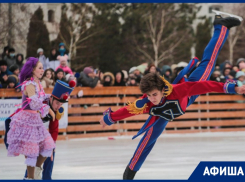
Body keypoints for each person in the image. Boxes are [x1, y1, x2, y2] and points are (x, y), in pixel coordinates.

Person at [99, 15, 242, 179]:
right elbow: (128, 110)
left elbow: (204, 86)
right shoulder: (147, 103)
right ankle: (129, 175)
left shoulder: (176, 90)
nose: (152, 99)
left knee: (208, 62)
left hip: (189, 94)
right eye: (149, 95)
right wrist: (110, 118)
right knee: (148, 141)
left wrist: (231, 87)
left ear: (162, 89)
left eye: (154, 95)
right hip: (163, 116)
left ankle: (220, 26)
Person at [6, 57, 55, 179]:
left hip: (36, 120)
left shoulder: (38, 83)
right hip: (27, 120)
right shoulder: (29, 84)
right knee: (31, 152)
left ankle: (36, 171)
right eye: (39, 68)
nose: (42, 70)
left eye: (42, 68)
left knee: (49, 146)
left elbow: (42, 99)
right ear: (32, 70)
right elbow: (33, 103)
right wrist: (47, 108)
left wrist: (52, 98)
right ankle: (31, 178)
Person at [23, 79, 76, 179]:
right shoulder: (40, 103)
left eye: (61, 104)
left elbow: (54, 129)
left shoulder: (57, 109)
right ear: (51, 98)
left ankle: (47, 178)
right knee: (34, 154)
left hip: (41, 133)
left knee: (51, 150)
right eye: (57, 103)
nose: (58, 106)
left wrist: (52, 146)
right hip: (29, 130)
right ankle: (28, 177)